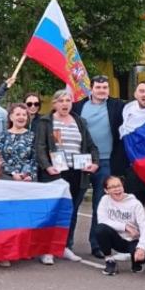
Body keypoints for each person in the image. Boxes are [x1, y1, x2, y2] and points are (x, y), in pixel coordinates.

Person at [34, 89, 99, 263]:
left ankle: (65, 246)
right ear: (54, 103)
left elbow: (92, 146)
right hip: (55, 173)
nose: (65, 104)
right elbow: (39, 147)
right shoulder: (45, 122)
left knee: (71, 211)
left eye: (68, 100)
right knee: (52, 211)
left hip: (77, 172)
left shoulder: (80, 121)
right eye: (61, 100)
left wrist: (95, 163)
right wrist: (47, 167)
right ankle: (47, 249)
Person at [71, 75, 127, 256]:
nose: (102, 90)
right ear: (91, 89)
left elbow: (139, 106)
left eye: (105, 87)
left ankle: (96, 245)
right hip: (81, 162)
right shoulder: (78, 106)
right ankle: (66, 244)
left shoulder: (117, 106)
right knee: (74, 202)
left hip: (105, 162)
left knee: (100, 205)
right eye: (98, 87)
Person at [94, 175, 145, 276]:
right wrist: (125, 226)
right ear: (106, 190)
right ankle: (110, 260)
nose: (117, 189)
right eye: (112, 187)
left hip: (133, 239)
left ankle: (136, 263)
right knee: (100, 229)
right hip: (117, 239)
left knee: (139, 262)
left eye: (119, 185)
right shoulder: (105, 200)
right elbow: (102, 220)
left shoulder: (135, 204)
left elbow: (144, 226)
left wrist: (142, 248)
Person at [0, 102, 37, 182]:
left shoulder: (33, 136)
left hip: (27, 179)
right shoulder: (1, 136)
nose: (21, 117)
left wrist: (30, 175)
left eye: (24, 115)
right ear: (11, 117)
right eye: (18, 114)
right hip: (5, 178)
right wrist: (13, 173)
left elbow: (35, 159)